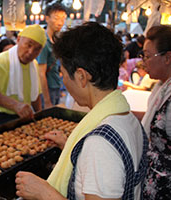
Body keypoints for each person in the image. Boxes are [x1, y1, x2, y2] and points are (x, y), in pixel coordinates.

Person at [15, 22, 148, 200]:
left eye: (62, 73)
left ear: (81, 77)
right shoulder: (127, 118)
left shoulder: (100, 145)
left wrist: (44, 192)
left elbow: (104, 155)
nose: (63, 80)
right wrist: (70, 147)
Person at [0, 24, 46, 127]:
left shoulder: (34, 65)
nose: (31, 52)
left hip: (24, 116)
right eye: (28, 45)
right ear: (18, 39)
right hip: (0, 118)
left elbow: (35, 96)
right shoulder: (2, 60)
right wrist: (15, 105)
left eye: (37, 49)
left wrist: (40, 117)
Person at [141, 25, 171, 200]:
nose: (144, 61)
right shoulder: (161, 87)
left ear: (167, 57)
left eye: (147, 55)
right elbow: (153, 119)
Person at [37, 3, 67, 108]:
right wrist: (47, 101)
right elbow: (41, 74)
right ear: (47, 19)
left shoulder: (55, 40)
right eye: (56, 18)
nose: (60, 23)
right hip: (47, 89)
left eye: (63, 19)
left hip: (55, 86)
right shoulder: (44, 42)